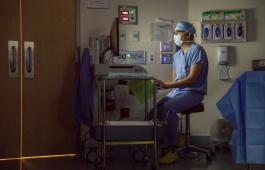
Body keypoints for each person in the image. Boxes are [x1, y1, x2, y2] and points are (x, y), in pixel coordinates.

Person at [150, 21, 209, 164]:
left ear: (188, 34)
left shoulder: (197, 51)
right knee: (154, 110)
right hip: (178, 92)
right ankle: (175, 136)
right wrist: (160, 86)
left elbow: (192, 79)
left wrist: (167, 85)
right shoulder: (177, 56)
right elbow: (173, 81)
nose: (175, 35)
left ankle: (171, 148)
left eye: (177, 32)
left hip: (194, 92)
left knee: (169, 108)